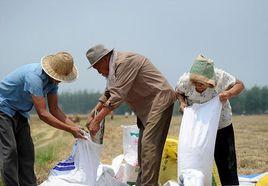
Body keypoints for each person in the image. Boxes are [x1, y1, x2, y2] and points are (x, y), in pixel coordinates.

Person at [85, 44, 176, 186]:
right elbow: (109, 90)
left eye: (97, 68)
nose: (98, 72)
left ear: (103, 60)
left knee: (149, 147)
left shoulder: (124, 62)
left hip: (159, 101)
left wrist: (96, 120)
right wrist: (94, 111)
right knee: (142, 150)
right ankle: (142, 183)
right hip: (147, 107)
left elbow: (117, 95)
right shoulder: (114, 67)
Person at [0, 52, 85, 186]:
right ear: (51, 71)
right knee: (10, 151)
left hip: (20, 111)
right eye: (59, 77)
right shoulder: (34, 76)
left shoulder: (53, 83)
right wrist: (70, 129)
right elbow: (43, 114)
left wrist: (75, 127)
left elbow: (55, 110)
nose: (60, 80)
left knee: (27, 152)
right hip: (3, 108)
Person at [175, 54, 244, 186]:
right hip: (197, 129)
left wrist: (229, 93)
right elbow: (178, 92)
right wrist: (182, 102)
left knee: (226, 164)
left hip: (221, 126)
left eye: (201, 84)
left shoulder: (220, 76)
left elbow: (239, 85)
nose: (198, 87)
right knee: (195, 161)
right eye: (195, 83)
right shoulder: (185, 81)